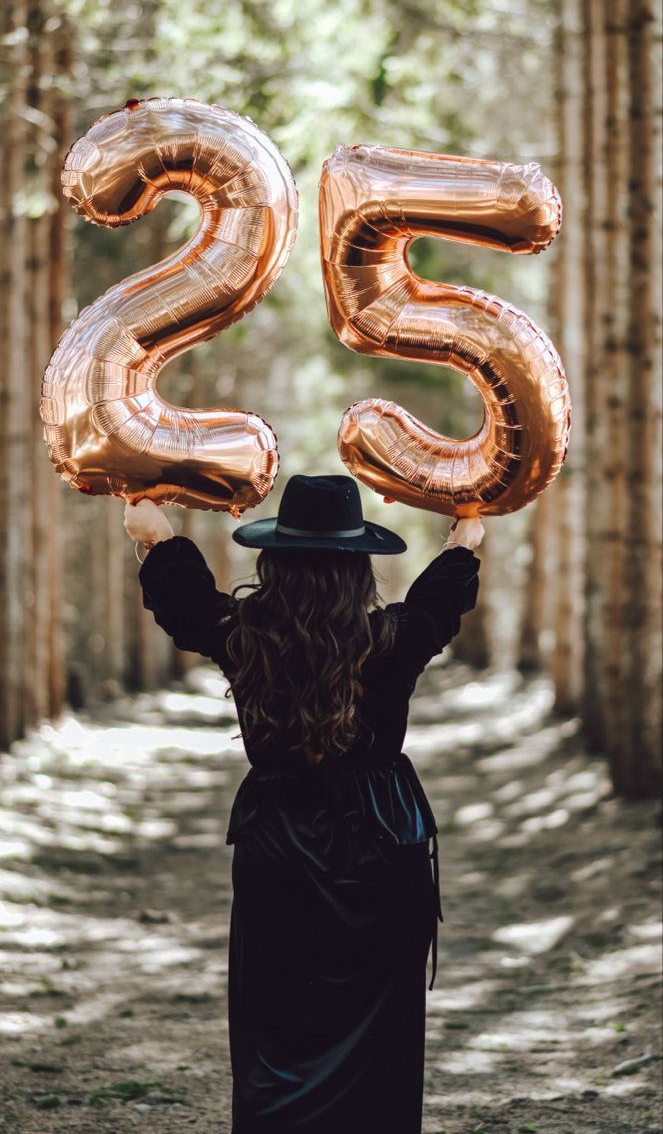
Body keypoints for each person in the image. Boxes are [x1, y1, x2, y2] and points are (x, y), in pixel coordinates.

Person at [124, 474, 483, 1134]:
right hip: (383, 845)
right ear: (358, 565)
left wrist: (154, 537)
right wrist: (464, 540)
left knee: (275, 1031)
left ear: (274, 558)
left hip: (277, 844)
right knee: (381, 1041)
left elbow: (183, 601)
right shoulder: (394, 637)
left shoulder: (242, 633)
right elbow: (441, 597)